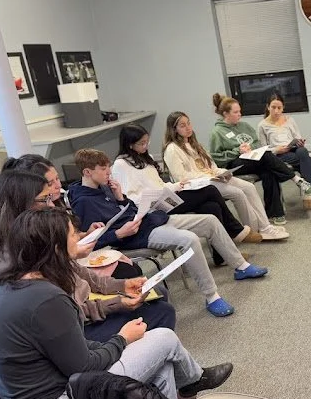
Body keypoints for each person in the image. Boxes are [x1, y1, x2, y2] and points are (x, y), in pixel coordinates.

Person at [0, 207, 233, 399]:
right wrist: (122, 339)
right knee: (164, 339)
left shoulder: (14, 283)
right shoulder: (46, 298)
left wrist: (121, 341)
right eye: (74, 235)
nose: (80, 239)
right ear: (56, 247)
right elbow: (84, 366)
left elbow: (72, 349)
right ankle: (192, 381)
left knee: (162, 365)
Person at [0, 171, 177, 343]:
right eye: (44, 199)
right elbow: (68, 314)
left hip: (80, 314)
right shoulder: (21, 258)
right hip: (74, 333)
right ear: (20, 205)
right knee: (160, 312)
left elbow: (75, 272)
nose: (52, 205)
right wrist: (117, 303)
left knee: (155, 294)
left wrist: (121, 287)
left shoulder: (34, 239)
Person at [69, 149, 267, 318]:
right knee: (188, 239)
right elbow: (92, 241)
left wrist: (121, 198)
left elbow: (127, 209)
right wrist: (118, 234)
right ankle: (212, 296)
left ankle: (241, 266)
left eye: (108, 167)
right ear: (87, 172)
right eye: (103, 169)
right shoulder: (83, 201)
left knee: (209, 220)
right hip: (135, 237)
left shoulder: (106, 187)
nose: (109, 172)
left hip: (148, 221)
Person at [113, 125, 288, 248]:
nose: (146, 146)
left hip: (166, 198)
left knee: (211, 206)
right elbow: (131, 198)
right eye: (142, 143)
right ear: (129, 144)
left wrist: (173, 186)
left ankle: (225, 254)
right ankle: (237, 231)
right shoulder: (121, 165)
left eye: (146, 142)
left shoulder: (144, 158)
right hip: (153, 209)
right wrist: (166, 190)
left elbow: (158, 183)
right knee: (211, 191)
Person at [2, 154, 144, 279]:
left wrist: (84, 234)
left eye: (58, 178)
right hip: (65, 271)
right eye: (50, 183)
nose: (58, 185)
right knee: (129, 274)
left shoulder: (59, 202)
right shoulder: (26, 224)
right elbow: (50, 257)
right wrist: (74, 251)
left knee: (134, 272)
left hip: (74, 262)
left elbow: (65, 238)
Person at [163, 111, 295, 233]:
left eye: (189, 123)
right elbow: (181, 177)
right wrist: (210, 176)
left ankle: (265, 227)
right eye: (182, 125)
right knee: (237, 193)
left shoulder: (196, 145)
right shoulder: (172, 149)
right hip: (200, 185)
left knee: (248, 187)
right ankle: (253, 230)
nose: (188, 127)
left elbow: (212, 166)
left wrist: (224, 172)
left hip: (214, 178)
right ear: (174, 130)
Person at [209, 93, 311, 225]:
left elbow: (257, 144)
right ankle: (296, 179)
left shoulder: (244, 126)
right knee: (266, 156)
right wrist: (238, 150)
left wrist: (249, 147)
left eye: (240, 111)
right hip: (235, 164)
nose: (239, 114)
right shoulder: (217, 132)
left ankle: (275, 214)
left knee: (269, 171)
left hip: (253, 159)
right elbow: (217, 158)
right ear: (226, 114)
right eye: (236, 112)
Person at [256, 93, 311, 213]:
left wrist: (299, 142)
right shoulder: (262, 125)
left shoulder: (290, 120)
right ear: (268, 107)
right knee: (308, 160)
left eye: (279, 108)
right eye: (273, 107)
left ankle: (310, 194)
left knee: (303, 151)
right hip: (278, 155)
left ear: (283, 107)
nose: (276, 111)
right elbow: (263, 149)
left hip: (294, 150)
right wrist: (276, 149)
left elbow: (297, 137)